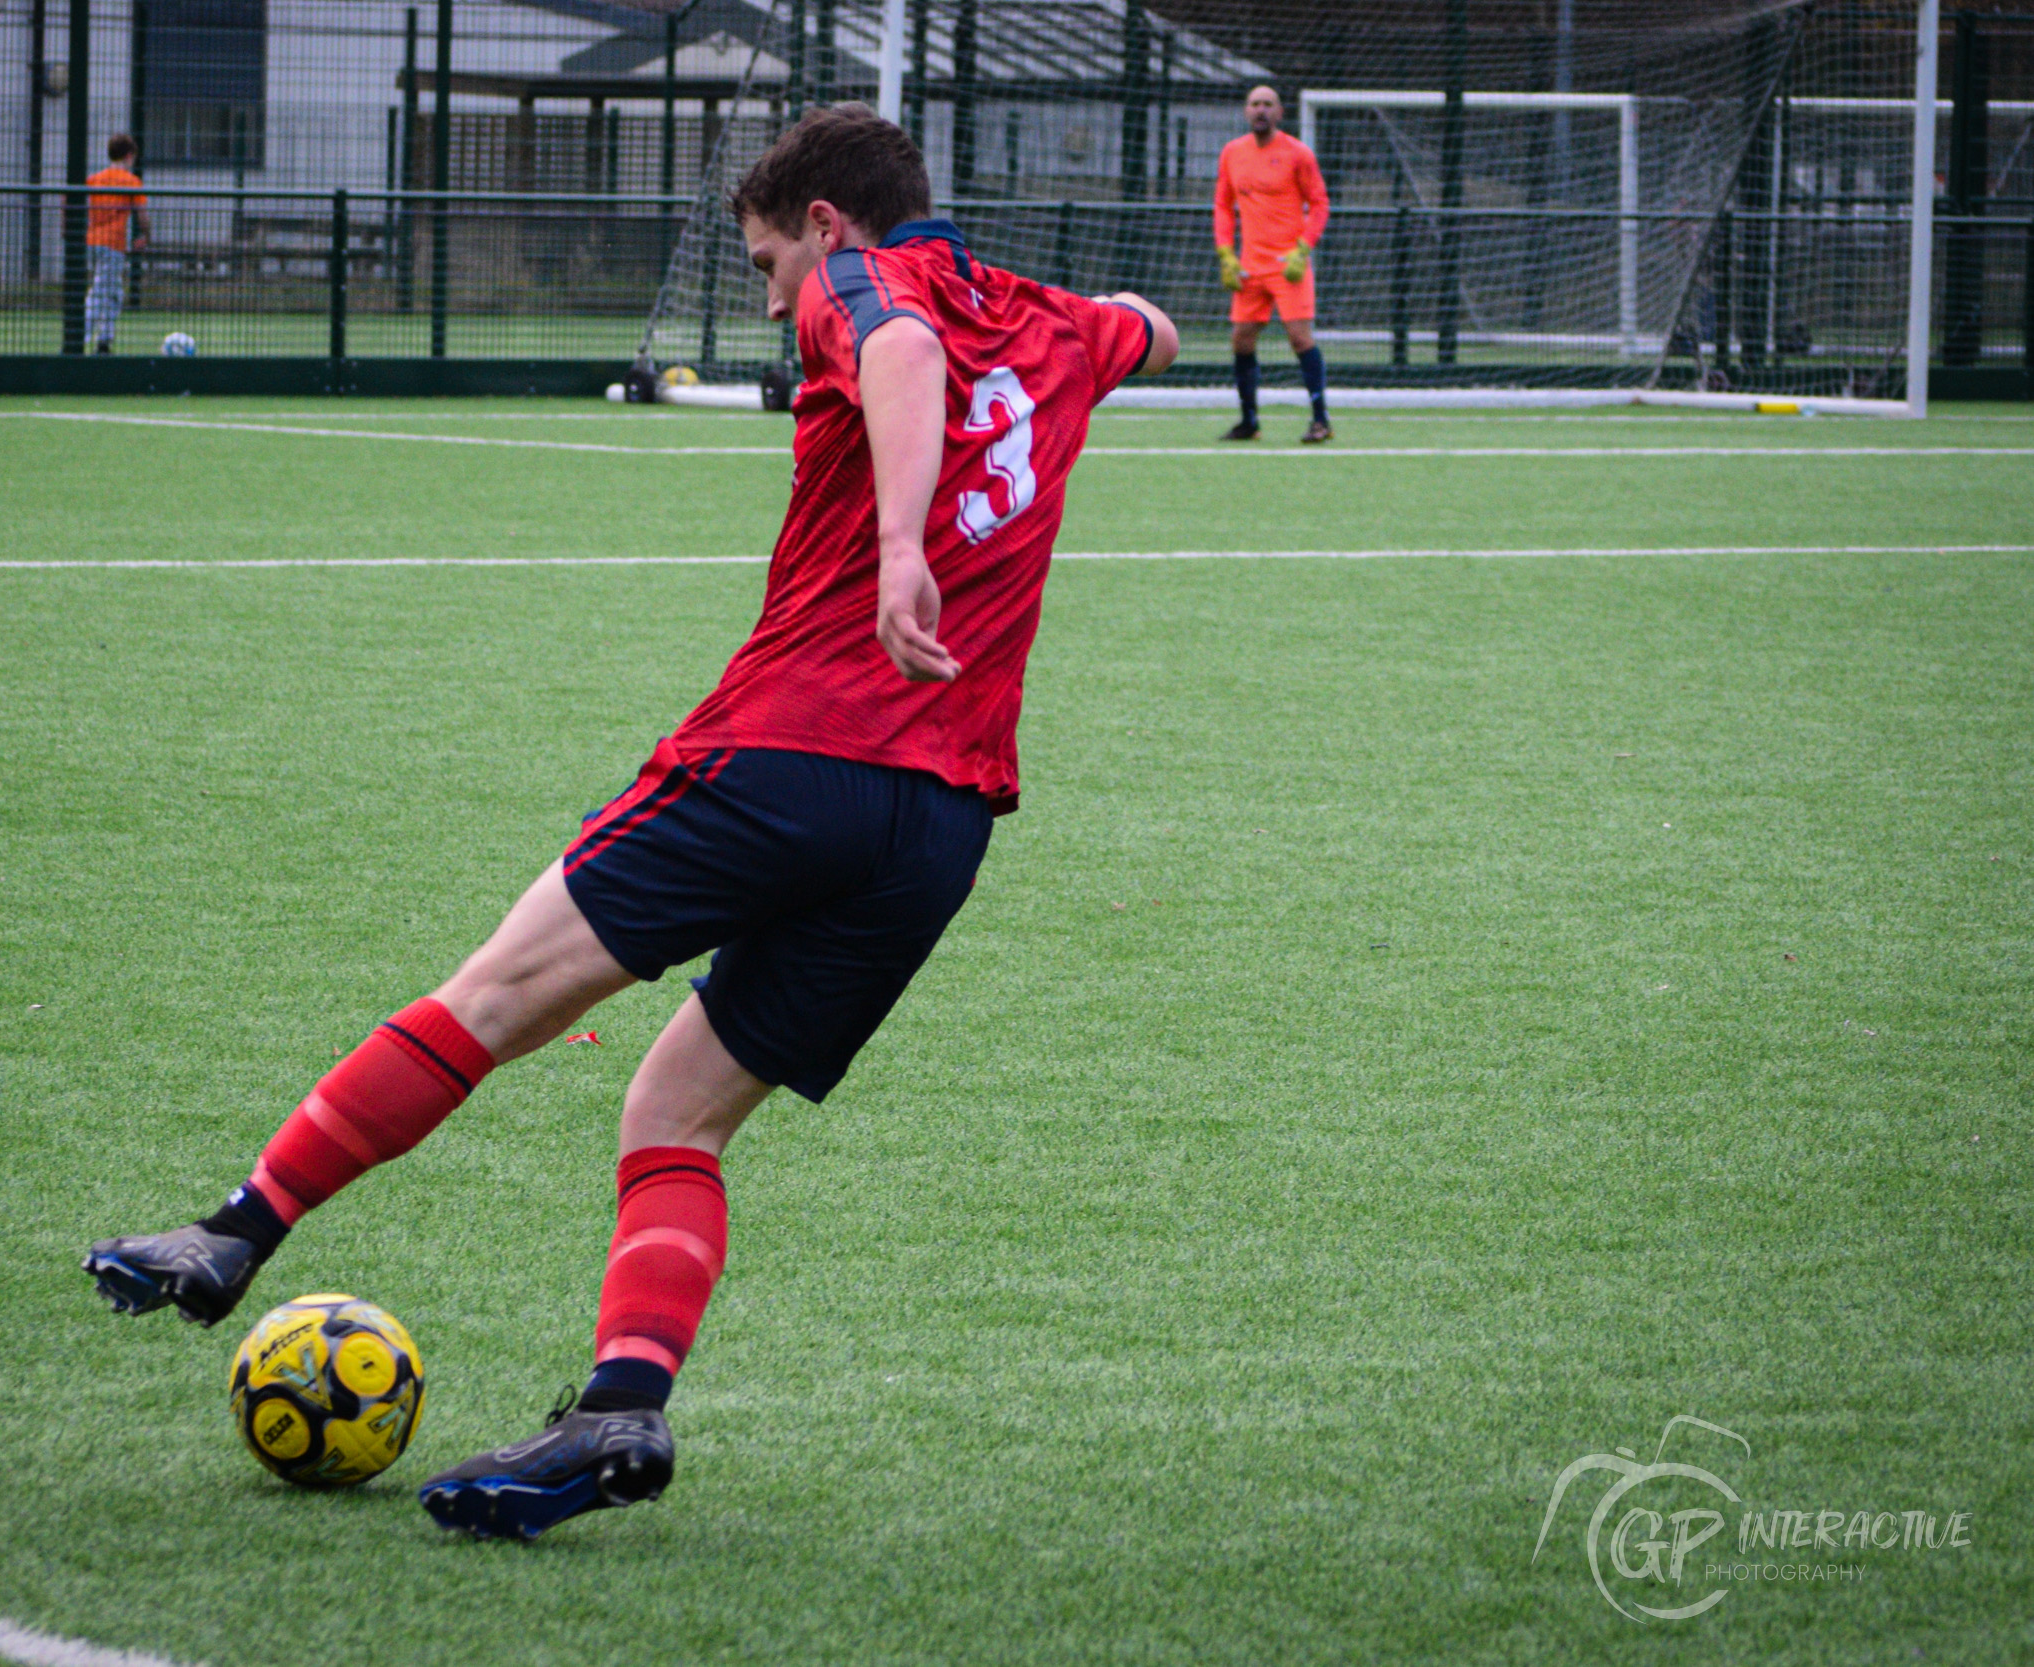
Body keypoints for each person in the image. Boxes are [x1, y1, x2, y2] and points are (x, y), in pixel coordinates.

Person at [82, 103, 1180, 1541]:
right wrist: (1082, 325)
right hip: (942, 820)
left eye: (769, 263)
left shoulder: (871, 292)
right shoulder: (1051, 325)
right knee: (676, 1110)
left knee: (497, 994)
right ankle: (619, 1405)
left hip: (788, 752)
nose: (773, 295)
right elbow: (1148, 325)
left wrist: (903, 543)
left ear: (832, 230)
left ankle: (236, 1233)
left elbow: (903, 350)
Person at [1214, 85, 1329, 442]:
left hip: (1287, 264)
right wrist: (1226, 254)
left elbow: (1320, 203)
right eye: (1254, 104)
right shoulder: (1232, 153)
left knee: (1299, 338)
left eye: (1268, 104)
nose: (1260, 110)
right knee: (1241, 341)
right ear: (1246, 111)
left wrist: (1303, 250)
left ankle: (1320, 421)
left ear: (1280, 112)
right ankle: (1249, 422)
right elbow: (1222, 205)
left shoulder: (1298, 153)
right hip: (1250, 266)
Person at [84, 135, 149, 354]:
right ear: (129, 156)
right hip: (113, 244)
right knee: (100, 292)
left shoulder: (95, 179)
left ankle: (104, 341)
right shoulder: (131, 181)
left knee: (113, 293)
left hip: (91, 241)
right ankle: (80, 338)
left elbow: (68, 199)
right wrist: (146, 235)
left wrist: (67, 228)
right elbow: (142, 215)